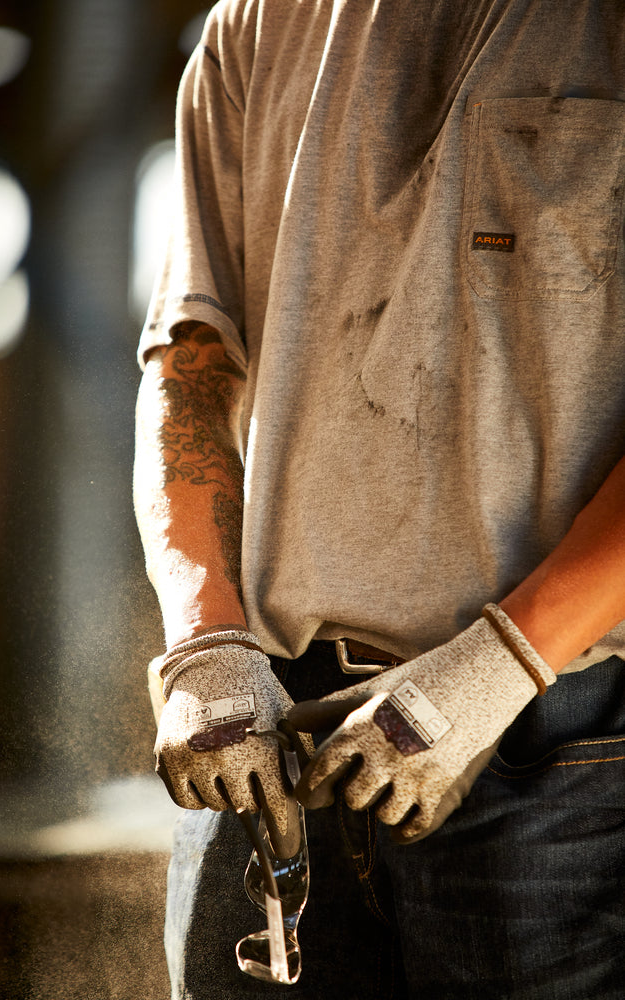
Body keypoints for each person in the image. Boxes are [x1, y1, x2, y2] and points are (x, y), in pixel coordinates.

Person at [133, 2, 625, 997]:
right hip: (265, 731)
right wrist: (206, 641)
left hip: (558, 755)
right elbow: (193, 360)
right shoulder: (257, 24)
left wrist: (497, 667)